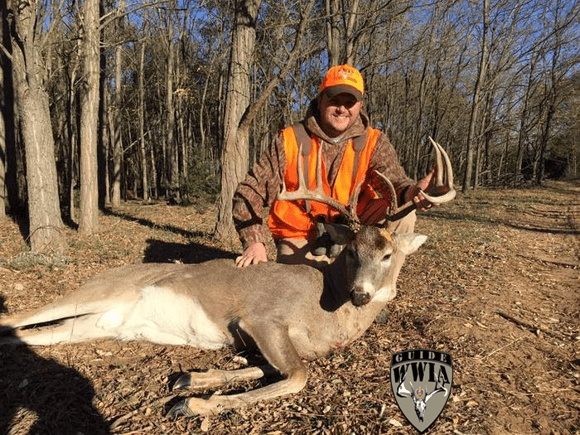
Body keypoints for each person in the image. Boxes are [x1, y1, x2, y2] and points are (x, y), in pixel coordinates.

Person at [233, 64, 437, 268]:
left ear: (360, 105)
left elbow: (393, 182)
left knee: (405, 214)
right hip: (301, 236)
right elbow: (248, 192)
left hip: (356, 233)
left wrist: (412, 192)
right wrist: (254, 242)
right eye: (334, 100)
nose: (342, 109)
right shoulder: (290, 140)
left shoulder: (374, 142)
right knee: (302, 293)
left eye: (350, 102)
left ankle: (379, 289)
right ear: (321, 100)